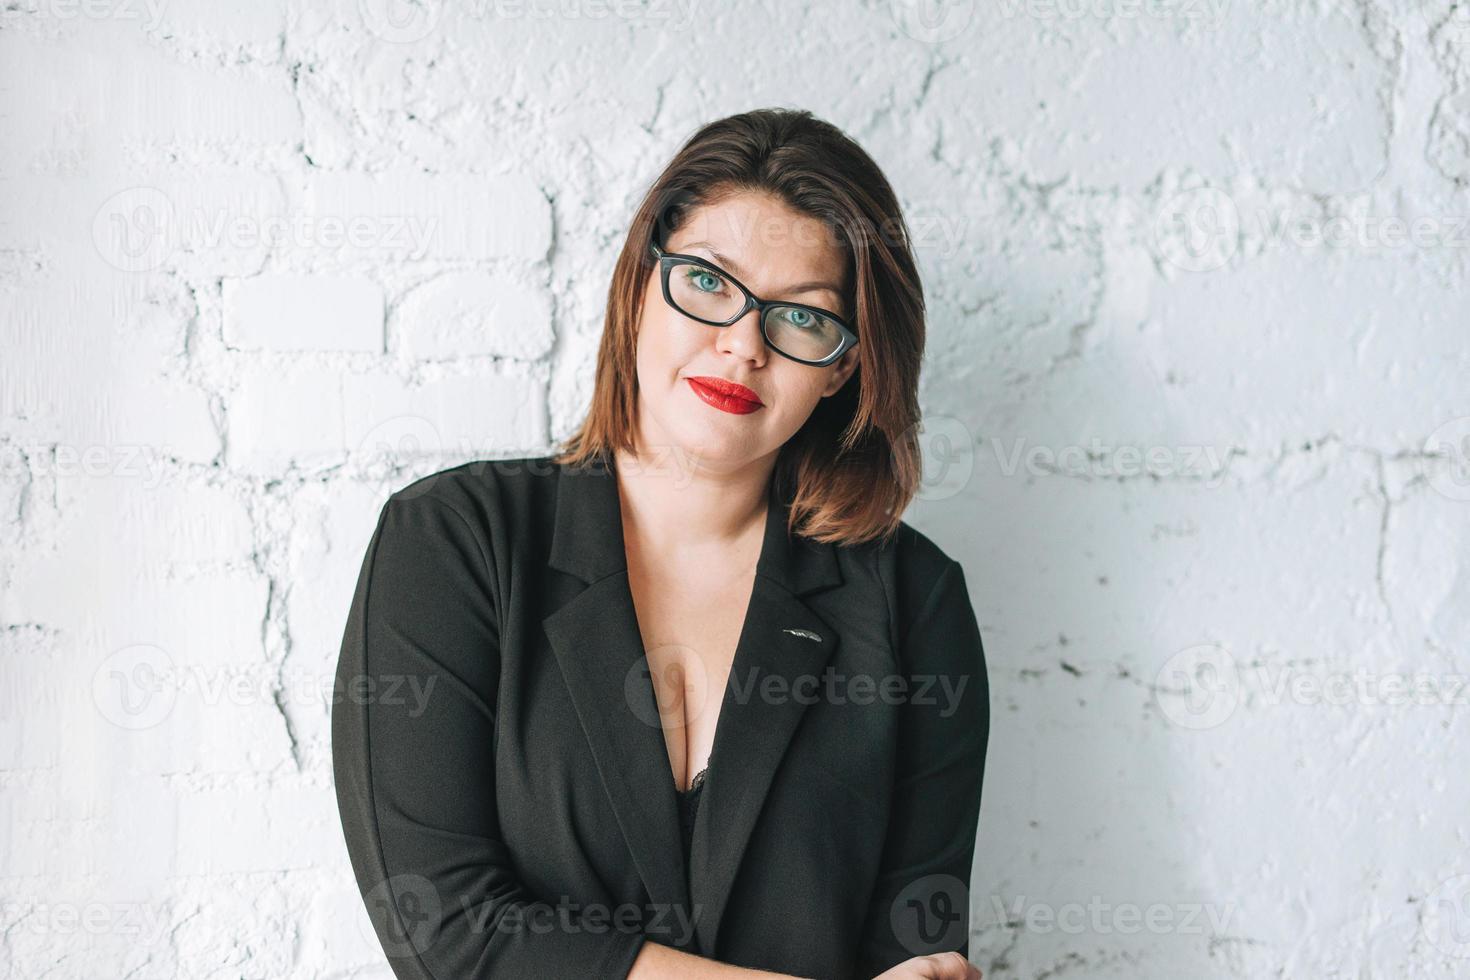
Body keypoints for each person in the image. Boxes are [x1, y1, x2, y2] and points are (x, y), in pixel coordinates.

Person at [332, 107, 989, 980]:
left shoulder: (916, 600)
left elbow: (915, 950)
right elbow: (447, 936)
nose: (743, 345)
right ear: (640, 284)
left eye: (802, 318)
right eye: (709, 283)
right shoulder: (456, 542)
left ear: (845, 367)